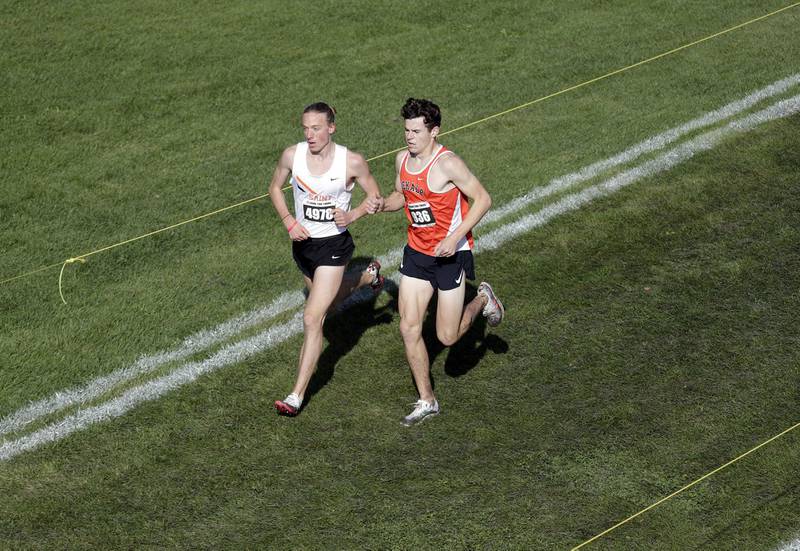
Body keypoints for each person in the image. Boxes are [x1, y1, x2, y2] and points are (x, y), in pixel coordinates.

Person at [379, 97, 505, 426]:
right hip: (418, 253)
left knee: (447, 338)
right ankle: (427, 400)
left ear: (434, 131)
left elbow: (483, 199)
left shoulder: (448, 163)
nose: (409, 137)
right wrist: (382, 204)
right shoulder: (401, 161)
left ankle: (483, 299)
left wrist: (454, 237)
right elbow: (401, 196)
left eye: (416, 131)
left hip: (450, 255)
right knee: (409, 327)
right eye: (407, 130)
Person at [268, 102, 384, 416]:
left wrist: (353, 214)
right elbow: (274, 188)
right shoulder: (293, 156)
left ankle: (296, 395)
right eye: (305, 128)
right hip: (303, 247)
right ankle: (366, 277)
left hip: (334, 247)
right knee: (329, 308)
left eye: (316, 128)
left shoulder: (352, 161)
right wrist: (288, 221)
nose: (310, 134)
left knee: (311, 318)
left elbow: (376, 197)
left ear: (331, 127)